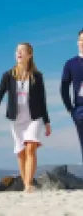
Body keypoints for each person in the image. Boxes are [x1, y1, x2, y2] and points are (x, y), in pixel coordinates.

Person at [0, 42, 51, 193]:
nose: (19, 53)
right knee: (21, 152)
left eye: (22, 51)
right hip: (16, 119)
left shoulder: (37, 76)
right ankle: (26, 183)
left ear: (30, 55)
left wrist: (47, 122)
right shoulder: (8, 76)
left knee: (30, 148)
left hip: (34, 117)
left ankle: (28, 185)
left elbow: (42, 100)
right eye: (17, 51)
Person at [60, 29, 83, 163]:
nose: (82, 42)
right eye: (81, 40)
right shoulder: (71, 64)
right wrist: (70, 108)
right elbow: (64, 87)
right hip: (80, 110)